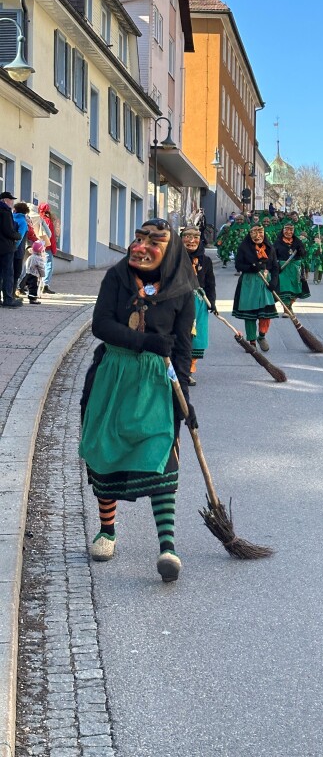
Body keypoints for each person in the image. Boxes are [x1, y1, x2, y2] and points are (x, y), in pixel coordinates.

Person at [78, 218, 197, 583]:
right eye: (139, 237)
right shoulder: (116, 278)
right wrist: (144, 342)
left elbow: (182, 347)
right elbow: (101, 324)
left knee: (160, 455)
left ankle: (168, 547)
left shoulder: (181, 292)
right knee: (106, 451)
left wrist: (184, 402)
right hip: (113, 375)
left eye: (153, 241)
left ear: (170, 250)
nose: (141, 246)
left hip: (156, 384)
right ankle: (107, 532)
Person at [233, 224, 279, 351]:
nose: (258, 236)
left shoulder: (270, 249)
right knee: (250, 314)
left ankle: (262, 335)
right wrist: (251, 267)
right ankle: (252, 341)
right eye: (255, 233)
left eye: (260, 233)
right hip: (249, 283)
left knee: (266, 313)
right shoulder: (244, 248)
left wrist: (274, 281)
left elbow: (275, 266)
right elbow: (238, 265)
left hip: (265, 282)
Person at [180, 227, 217, 386]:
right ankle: (178, 369)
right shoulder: (174, 258)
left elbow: (210, 283)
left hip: (199, 302)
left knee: (197, 338)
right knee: (180, 336)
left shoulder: (205, 261)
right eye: (187, 237)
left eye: (195, 237)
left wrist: (212, 302)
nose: (191, 240)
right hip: (179, 301)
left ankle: (189, 371)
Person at [274, 220, 309, 311]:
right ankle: (287, 309)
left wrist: (301, 249)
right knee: (285, 288)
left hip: (295, 269)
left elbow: (303, 254)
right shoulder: (277, 242)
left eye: (291, 230)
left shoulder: (298, 242)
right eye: (286, 230)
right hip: (283, 268)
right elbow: (273, 256)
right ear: (283, 230)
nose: (288, 232)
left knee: (295, 290)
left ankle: (289, 305)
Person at [0, 191, 22, 308]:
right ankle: (8, 299)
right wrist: (17, 235)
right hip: (6, 247)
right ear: (5, 200)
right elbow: (8, 231)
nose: (12, 202)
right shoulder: (6, 212)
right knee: (8, 273)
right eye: (10, 200)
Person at [38, 202, 57, 294]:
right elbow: (50, 236)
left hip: (37, 245)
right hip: (46, 246)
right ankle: (45, 285)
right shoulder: (48, 220)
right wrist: (53, 248)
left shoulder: (37, 218)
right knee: (48, 265)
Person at [12, 201, 29, 296]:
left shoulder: (11, 218)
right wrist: (15, 248)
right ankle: (12, 293)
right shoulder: (23, 222)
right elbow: (20, 237)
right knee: (16, 273)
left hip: (8, 250)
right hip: (17, 251)